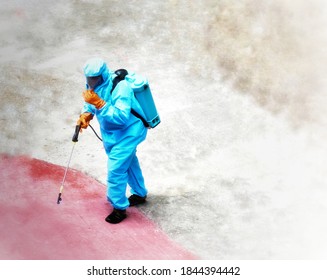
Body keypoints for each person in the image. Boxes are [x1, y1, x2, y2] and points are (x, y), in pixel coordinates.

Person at [77, 57, 148, 224]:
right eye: (88, 78)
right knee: (128, 162)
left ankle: (119, 208)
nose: (90, 82)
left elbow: (122, 117)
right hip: (112, 133)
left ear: (102, 74)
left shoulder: (120, 87)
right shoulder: (94, 84)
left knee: (116, 169)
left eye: (94, 78)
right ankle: (139, 193)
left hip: (130, 131)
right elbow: (90, 101)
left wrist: (100, 104)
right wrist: (86, 114)